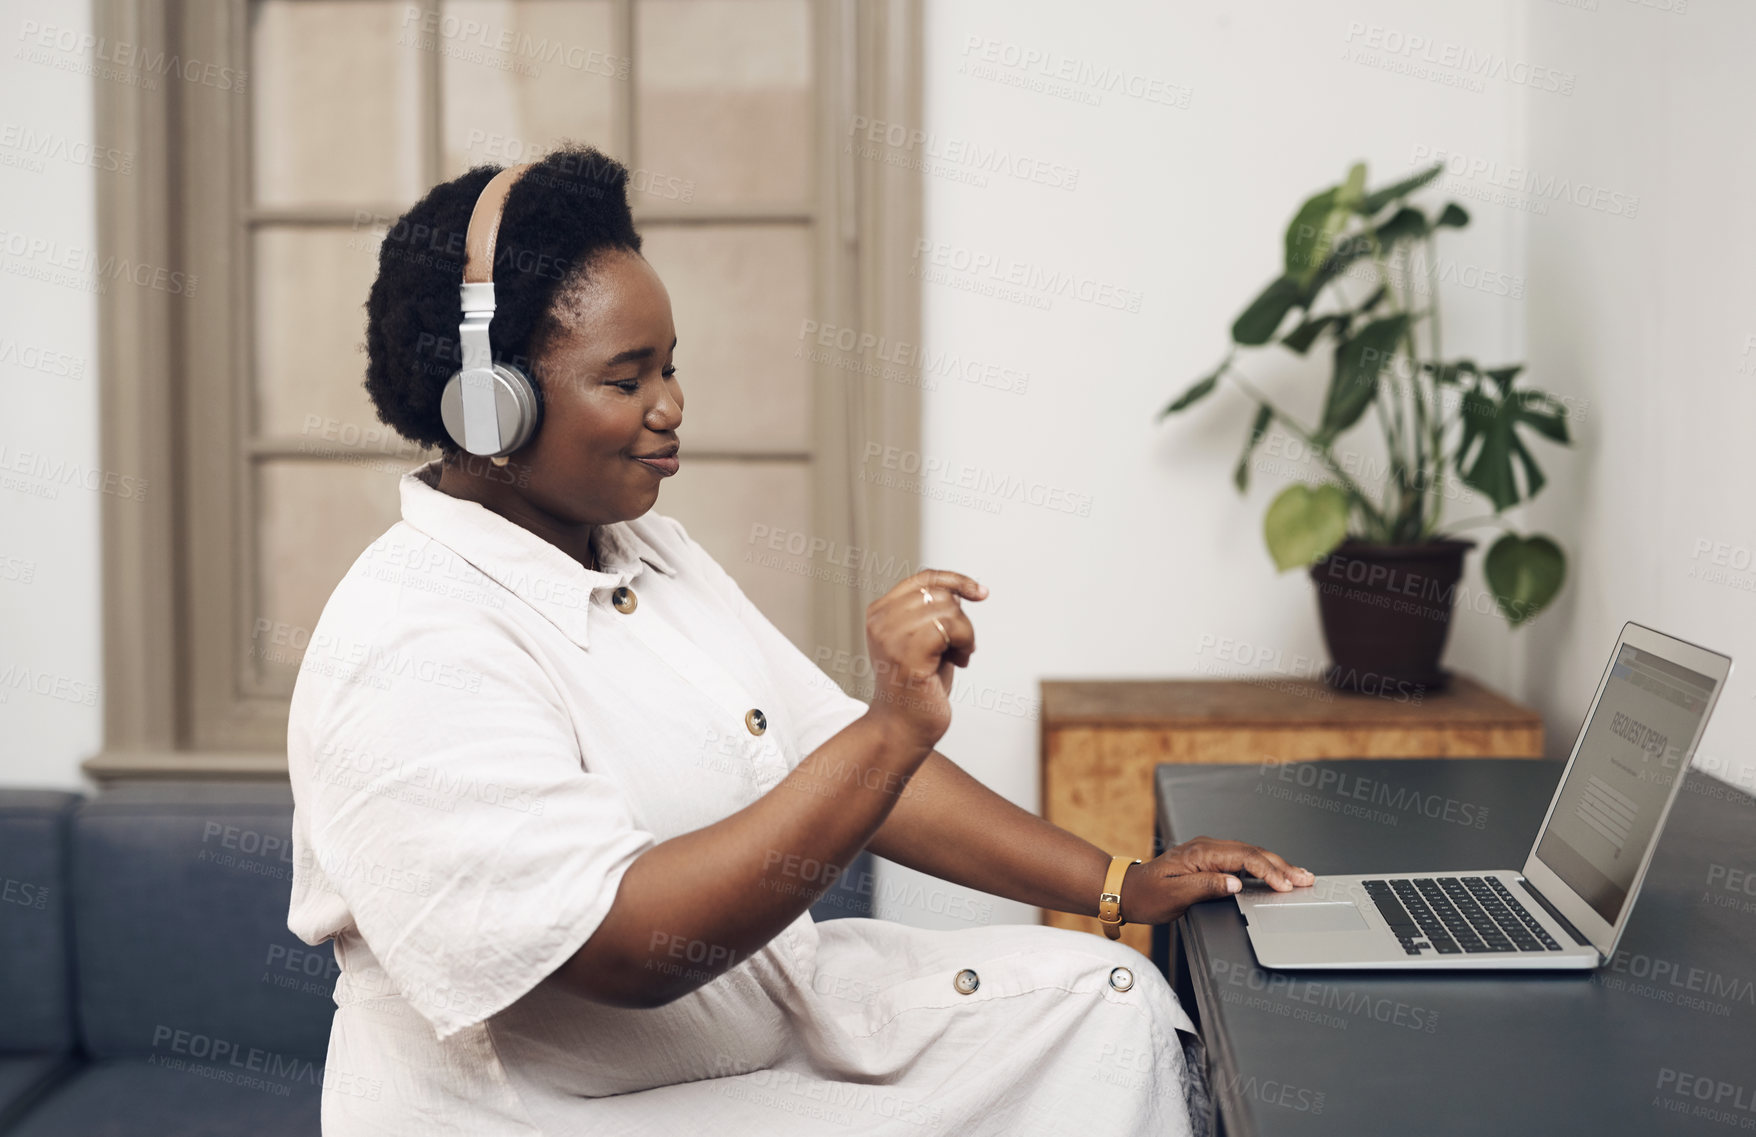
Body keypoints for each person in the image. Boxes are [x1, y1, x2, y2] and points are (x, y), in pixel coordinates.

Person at [285, 143, 1314, 1137]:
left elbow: (839, 757)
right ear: (486, 405)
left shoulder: (646, 550)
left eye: (671, 368)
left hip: (747, 1060)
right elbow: (625, 949)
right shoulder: (408, 642)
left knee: (1104, 1002)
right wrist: (893, 729)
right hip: (563, 1118)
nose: (672, 407)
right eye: (627, 377)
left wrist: (1118, 885)